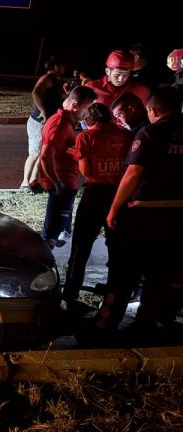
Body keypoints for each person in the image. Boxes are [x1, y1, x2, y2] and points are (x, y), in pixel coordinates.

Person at [96, 88, 183, 338]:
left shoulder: (150, 132)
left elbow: (134, 173)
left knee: (126, 271)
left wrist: (113, 209)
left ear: (154, 110)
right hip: (178, 216)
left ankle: (107, 325)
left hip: (145, 214)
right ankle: (148, 323)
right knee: (162, 273)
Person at [62, 103, 133, 313]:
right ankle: (113, 292)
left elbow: (86, 169)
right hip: (118, 195)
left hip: (94, 194)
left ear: (90, 120)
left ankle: (71, 294)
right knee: (117, 247)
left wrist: (78, 155)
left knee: (81, 247)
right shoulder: (125, 136)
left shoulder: (85, 138)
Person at [38, 86, 98, 249]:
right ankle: (46, 260)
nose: (89, 112)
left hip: (67, 183)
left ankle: (60, 236)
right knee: (51, 231)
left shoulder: (65, 121)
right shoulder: (60, 125)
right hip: (62, 184)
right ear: (75, 106)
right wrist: (57, 182)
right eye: (87, 108)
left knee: (60, 223)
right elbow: (45, 155)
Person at [22, 58, 66, 193]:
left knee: (42, 154)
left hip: (48, 122)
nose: (64, 68)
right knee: (34, 154)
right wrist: (42, 111)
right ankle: (24, 183)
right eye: (62, 65)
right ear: (56, 66)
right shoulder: (47, 78)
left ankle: (33, 182)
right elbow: (35, 92)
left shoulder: (56, 80)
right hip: (38, 122)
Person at [85, 49, 150, 107]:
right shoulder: (91, 88)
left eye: (126, 75)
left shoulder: (141, 91)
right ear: (107, 71)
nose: (121, 79)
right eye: (117, 75)